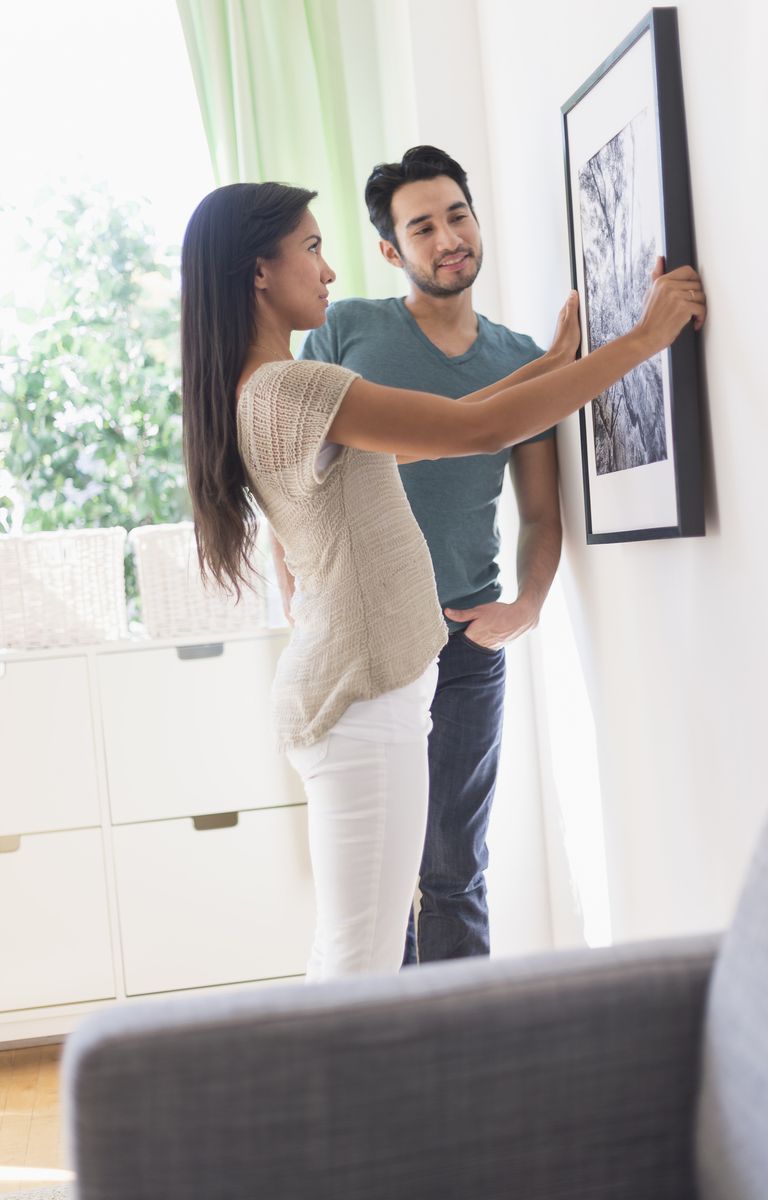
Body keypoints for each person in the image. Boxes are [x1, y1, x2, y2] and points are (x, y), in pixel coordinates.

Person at [180, 179, 705, 981]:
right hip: (361, 699)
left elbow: (432, 439)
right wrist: (640, 340)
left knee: (352, 949)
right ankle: (350, 1107)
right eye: (312, 248)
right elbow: (475, 429)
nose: (327, 271)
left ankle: (349, 1104)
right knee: (365, 961)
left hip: (348, 693)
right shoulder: (294, 387)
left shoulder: (267, 390)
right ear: (259, 271)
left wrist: (554, 365)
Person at [299, 145, 568, 964]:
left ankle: (461, 1067)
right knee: (381, 887)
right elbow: (303, 471)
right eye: (423, 226)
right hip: (369, 642)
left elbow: (542, 512)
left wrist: (525, 606)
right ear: (392, 251)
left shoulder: (519, 359)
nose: (448, 237)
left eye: (457, 214)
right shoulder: (348, 331)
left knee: (454, 869)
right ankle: (393, 1067)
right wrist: (296, 585)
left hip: (464, 642)